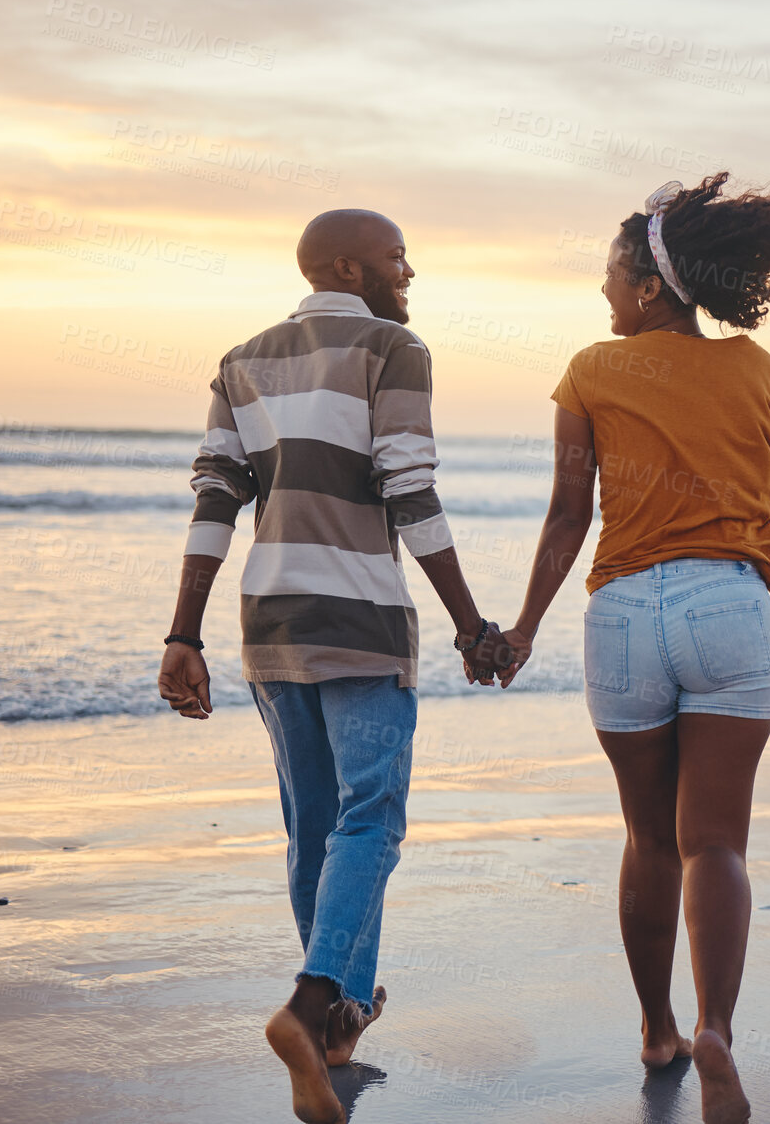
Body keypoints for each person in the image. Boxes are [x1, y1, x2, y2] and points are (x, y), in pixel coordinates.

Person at [157, 208, 510, 1124]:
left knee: (315, 825)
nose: (410, 271)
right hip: (358, 615)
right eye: (399, 256)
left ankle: (341, 1023)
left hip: (267, 619)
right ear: (349, 268)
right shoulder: (394, 348)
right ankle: (311, 1006)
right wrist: (472, 622)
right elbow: (409, 486)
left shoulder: (242, 359)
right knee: (372, 818)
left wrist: (182, 634)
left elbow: (213, 500)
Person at [497, 173, 770, 1124]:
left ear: (647, 287)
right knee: (714, 839)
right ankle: (716, 1027)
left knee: (647, 836)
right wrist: (720, 566)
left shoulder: (592, 369)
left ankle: (655, 1029)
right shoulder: (760, 370)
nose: (601, 294)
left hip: (624, 611)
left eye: (609, 276)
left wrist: (519, 631)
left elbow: (566, 517)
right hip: (728, 603)